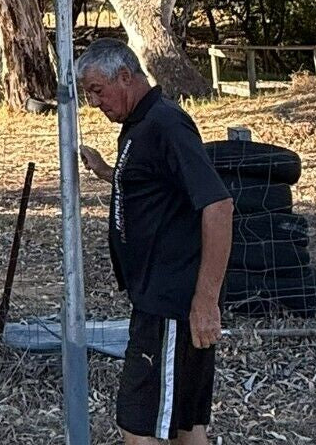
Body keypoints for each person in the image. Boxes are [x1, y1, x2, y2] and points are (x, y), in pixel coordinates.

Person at [76, 38, 233, 445]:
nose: (94, 102)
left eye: (97, 90)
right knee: (186, 424)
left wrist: (205, 302)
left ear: (126, 76)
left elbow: (218, 206)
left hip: (171, 304)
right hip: (160, 299)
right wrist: (110, 173)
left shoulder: (165, 123)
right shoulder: (140, 124)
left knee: (137, 424)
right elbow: (158, 186)